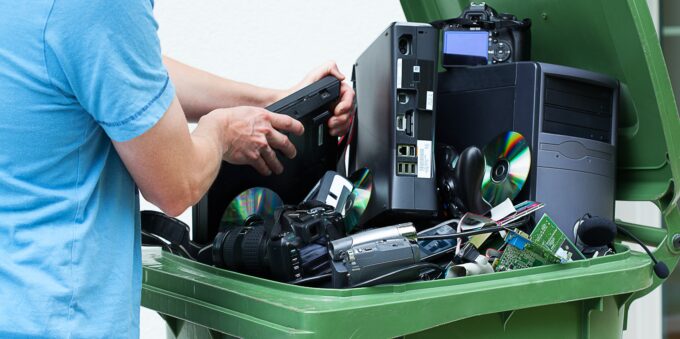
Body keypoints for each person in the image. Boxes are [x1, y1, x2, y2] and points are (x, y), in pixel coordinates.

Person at [0, 1, 354, 337]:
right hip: (61, 320)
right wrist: (220, 135)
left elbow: (124, 67)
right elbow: (177, 183)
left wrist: (277, 101)